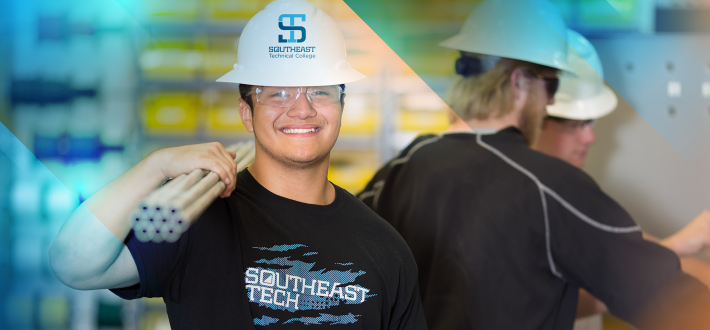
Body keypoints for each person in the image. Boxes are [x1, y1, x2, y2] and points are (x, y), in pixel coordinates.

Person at [357, 0, 710, 329]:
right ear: (519, 84)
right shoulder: (547, 184)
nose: (549, 102)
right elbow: (664, 297)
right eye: (551, 85)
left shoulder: (398, 170)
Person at [48, 1, 426, 328]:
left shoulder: (386, 249)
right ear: (247, 113)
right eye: (278, 93)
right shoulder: (196, 217)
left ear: (342, 105)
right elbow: (74, 264)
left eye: (320, 91)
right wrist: (156, 166)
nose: (302, 109)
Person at [532, 28, 710, 320]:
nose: (590, 137)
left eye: (590, 123)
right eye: (574, 124)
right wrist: (675, 247)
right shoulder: (526, 200)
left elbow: (643, 259)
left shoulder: (565, 193)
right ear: (535, 115)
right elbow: (558, 303)